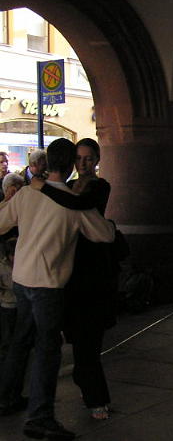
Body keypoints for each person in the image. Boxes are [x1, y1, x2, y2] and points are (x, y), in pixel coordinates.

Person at [0, 137, 115, 440]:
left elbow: (1, 222)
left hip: (21, 279)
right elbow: (105, 234)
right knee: (47, 350)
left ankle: (6, 397)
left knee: (21, 340)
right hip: (48, 285)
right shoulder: (72, 203)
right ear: (70, 165)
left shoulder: (27, 194)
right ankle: (40, 417)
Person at [33, 138, 116, 420]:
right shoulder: (67, 187)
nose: (83, 163)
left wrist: (43, 187)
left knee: (88, 341)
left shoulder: (99, 187)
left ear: (97, 160)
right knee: (78, 338)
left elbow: (78, 205)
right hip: (69, 267)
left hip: (92, 270)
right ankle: (87, 385)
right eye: (78, 158)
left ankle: (96, 397)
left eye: (88, 158)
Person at [0, 237, 16, 372]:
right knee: (7, 339)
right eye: (12, 255)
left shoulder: (24, 263)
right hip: (7, 305)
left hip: (22, 305)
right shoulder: (2, 266)